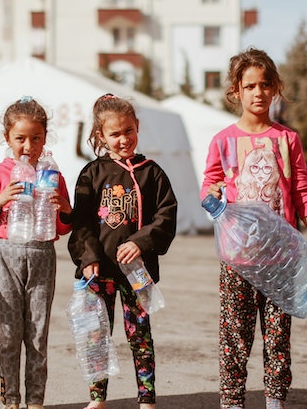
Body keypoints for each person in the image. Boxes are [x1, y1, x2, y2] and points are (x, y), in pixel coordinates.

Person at [200, 48, 307, 409]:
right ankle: (232, 401)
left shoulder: (287, 140)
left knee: (277, 335)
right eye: (250, 86)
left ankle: (275, 400)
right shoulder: (223, 141)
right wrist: (210, 193)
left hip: (283, 258)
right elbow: (208, 187)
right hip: (238, 258)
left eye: (265, 85)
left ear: (275, 88)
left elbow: (302, 192)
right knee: (235, 336)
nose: (258, 93)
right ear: (236, 91)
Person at [68, 93, 178, 409]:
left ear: (137, 127)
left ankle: (147, 399)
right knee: (96, 335)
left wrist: (140, 242)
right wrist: (87, 258)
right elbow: (82, 223)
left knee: (140, 335)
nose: (123, 139)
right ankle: (97, 398)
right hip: (100, 270)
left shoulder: (151, 172)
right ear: (101, 136)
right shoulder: (92, 173)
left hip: (137, 272)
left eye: (128, 130)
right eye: (114, 134)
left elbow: (166, 214)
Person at [0, 96, 73, 409]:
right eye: (20, 138)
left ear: (46, 138)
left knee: (37, 332)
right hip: (6, 252)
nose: (28, 145)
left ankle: (35, 401)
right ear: (7, 138)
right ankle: (11, 400)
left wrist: (65, 208)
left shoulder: (53, 174)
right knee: (7, 332)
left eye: (36, 138)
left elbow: (63, 226)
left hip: (42, 252)